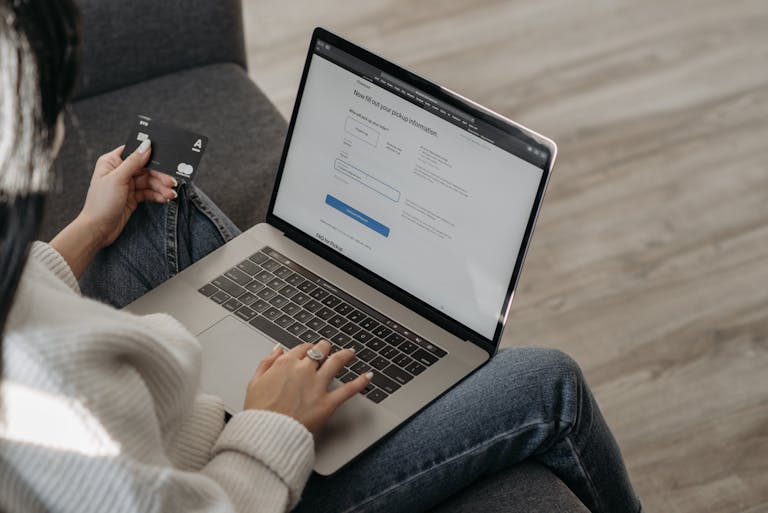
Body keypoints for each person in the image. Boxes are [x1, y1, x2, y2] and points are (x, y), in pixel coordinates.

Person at [0, 1, 642, 512]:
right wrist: (270, 424)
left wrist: (85, 231)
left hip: (170, 417)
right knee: (548, 381)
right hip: (231, 471)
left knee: (157, 209)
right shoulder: (47, 400)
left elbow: (17, 300)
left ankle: (288, 304)